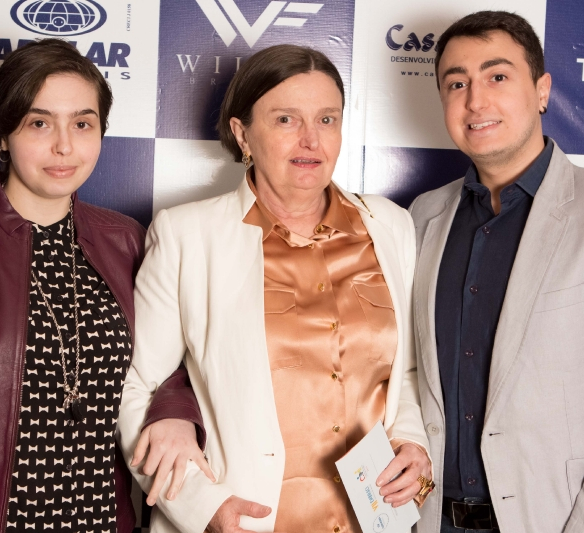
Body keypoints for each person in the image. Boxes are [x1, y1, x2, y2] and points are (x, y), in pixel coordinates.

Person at [0, 38, 209, 532]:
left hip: (103, 518)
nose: (64, 146)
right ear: (3, 134)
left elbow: (168, 364)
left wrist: (176, 413)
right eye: (39, 123)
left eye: (82, 124)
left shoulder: (126, 239)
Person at [119, 44, 433, 533]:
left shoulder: (391, 226)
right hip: (241, 520)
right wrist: (202, 508)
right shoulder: (186, 235)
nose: (311, 139)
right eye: (286, 120)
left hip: (372, 519)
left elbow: (408, 373)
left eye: (327, 120)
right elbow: (138, 387)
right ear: (242, 133)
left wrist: (412, 442)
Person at [408, 10, 584, 533]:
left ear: (541, 91)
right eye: (457, 84)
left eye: (497, 76)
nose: (476, 100)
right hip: (432, 521)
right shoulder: (424, 215)